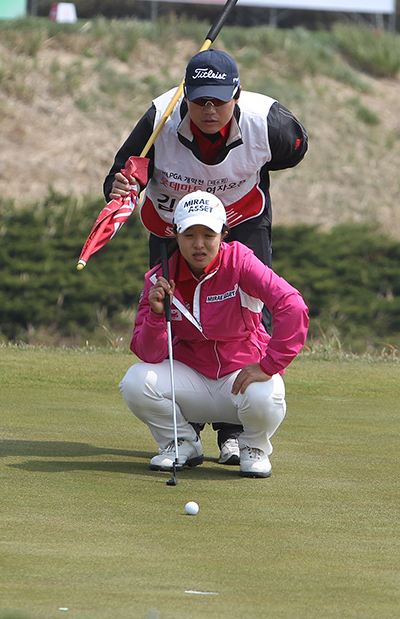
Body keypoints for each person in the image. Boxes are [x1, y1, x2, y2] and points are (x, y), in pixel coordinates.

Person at [104, 48, 308, 464]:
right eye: (199, 100)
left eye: (218, 99)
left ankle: (236, 433)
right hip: (172, 223)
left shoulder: (270, 124)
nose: (209, 109)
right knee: (172, 312)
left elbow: (296, 150)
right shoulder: (159, 117)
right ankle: (186, 432)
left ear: (237, 94)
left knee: (249, 310)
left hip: (241, 220)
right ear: (186, 96)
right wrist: (122, 187)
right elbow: (123, 173)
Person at [119, 191, 309, 479]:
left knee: (266, 391)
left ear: (223, 233)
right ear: (175, 235)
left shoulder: (241, 263)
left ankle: (253, 447)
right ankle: (182, 442)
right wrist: (157, 316)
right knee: (136, 380)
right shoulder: (158, 279)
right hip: (191, 381)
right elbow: (148, 354)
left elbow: (291, 305)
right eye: (189, 234)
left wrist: (270, 365)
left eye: (208, 234)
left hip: (239, 380)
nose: (199, 244)